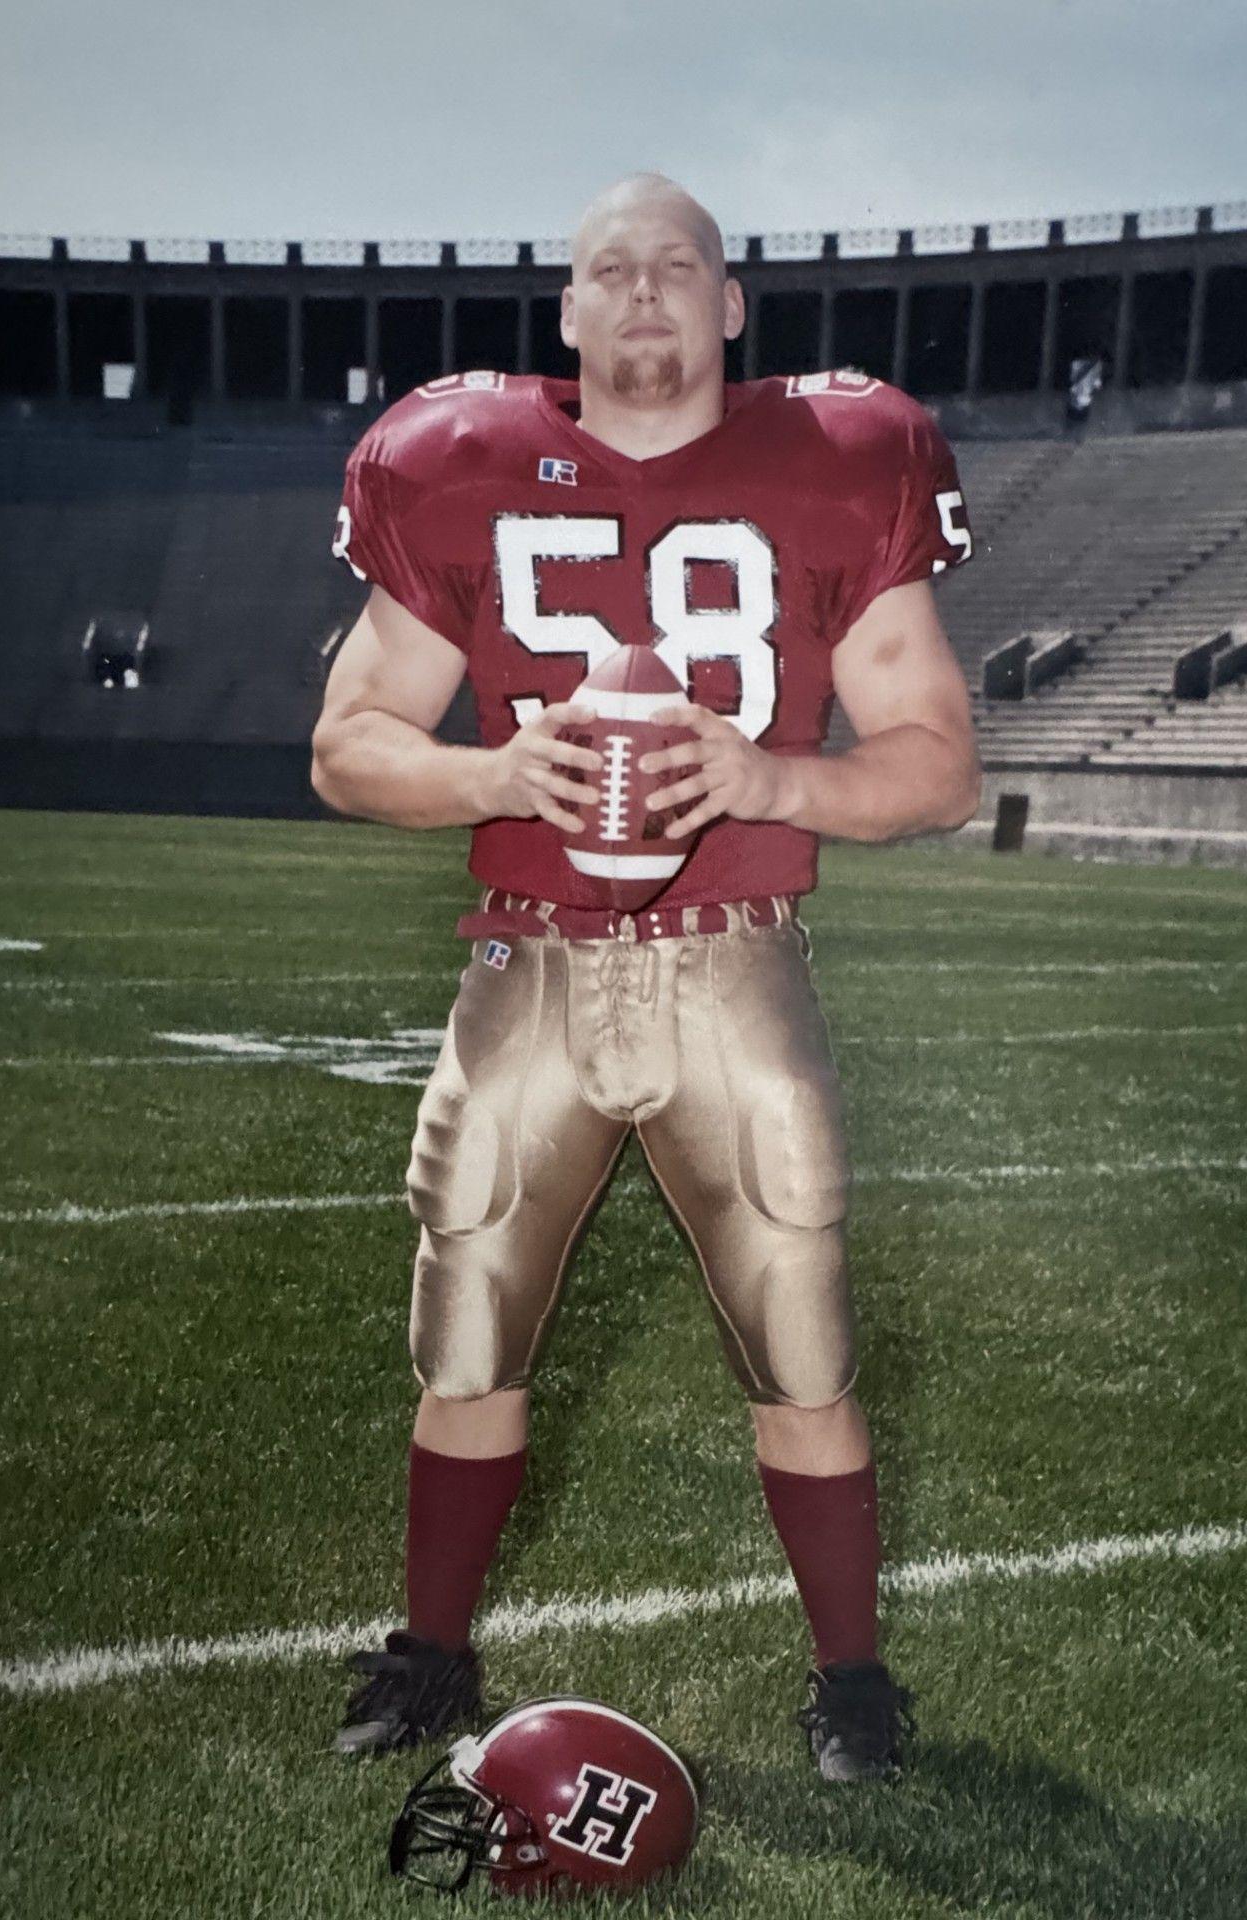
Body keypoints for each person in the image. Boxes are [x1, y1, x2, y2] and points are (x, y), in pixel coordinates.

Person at [312, 171, 980, 1784]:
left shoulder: (844, 459)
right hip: (527, 970)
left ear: (732, 305)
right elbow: (347, 745)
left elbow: (938, 761)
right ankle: (431, 1654)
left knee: (802, 1339)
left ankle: (853, 1681)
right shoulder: (451, 460)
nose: (645, 295)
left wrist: (774, 782)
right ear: (565, 310)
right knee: (466, 1323)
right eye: (610, 270)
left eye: (678, 268)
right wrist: (498, 777)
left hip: (734, 970)